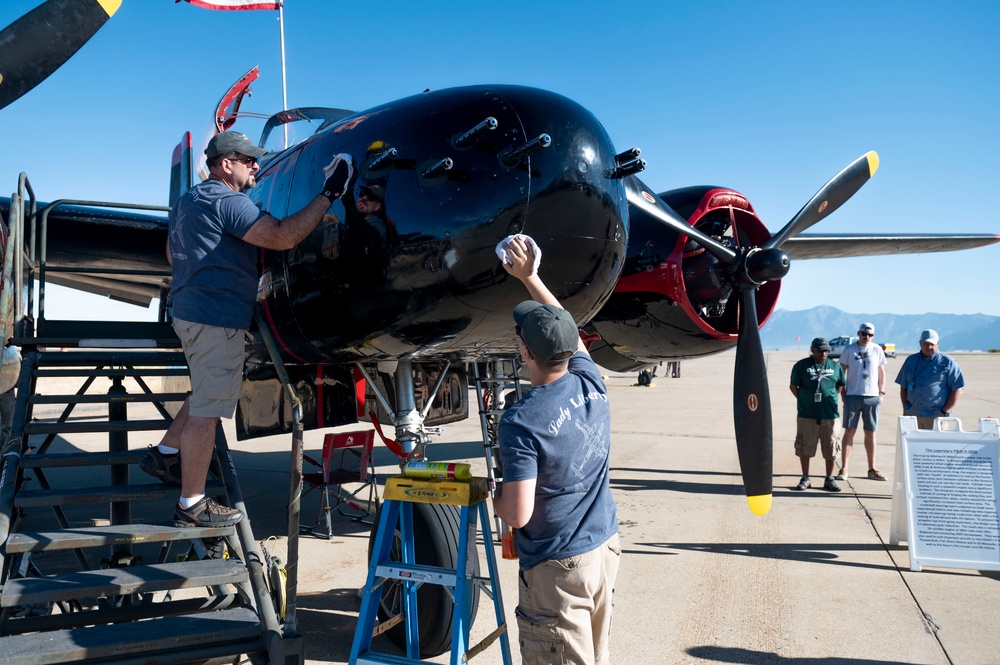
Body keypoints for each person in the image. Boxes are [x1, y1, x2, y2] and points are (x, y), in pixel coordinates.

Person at [141, 130, 353, 527]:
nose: (256, 165)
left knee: (205, 391)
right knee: (208, 411)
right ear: (226, 164)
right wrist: (330, 192)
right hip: (215, 319)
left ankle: (165, 455)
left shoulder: (188, 201)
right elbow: (283, 236)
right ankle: (192, 505)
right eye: (248, 159)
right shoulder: (228, 200)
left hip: (190, 313)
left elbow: (172, 253)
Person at [493, 235, 621, 665]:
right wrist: (531, 277)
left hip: (558, 566)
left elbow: (518, 515)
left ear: (524, 351)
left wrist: (493, 494)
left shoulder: (521, 421)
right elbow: (565, 323)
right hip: (603, 549)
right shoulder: (590, 380)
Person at [789, 338, 846, 492]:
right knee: (805, 447)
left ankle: (829, 478)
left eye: (827, 350)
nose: (824, 353)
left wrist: (831, 399)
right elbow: (793, 386)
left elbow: (840, 384)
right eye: (820, 350)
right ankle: (806, 477)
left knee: (831, 448)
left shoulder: (835, 366)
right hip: (807, 415)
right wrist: (804, 399)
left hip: (830, 415)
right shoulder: (801, 366)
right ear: (812, 350)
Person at [838, 322, 887, 481]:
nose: (866, 337)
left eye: (870, 335)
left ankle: (872, 468)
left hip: (872, 397)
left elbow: (881, 372)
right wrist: (843, 392)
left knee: (870, 433)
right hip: (853, 396)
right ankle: (844, 468)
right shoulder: (849, 350)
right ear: (858, 333)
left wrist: (881, 393)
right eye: (864, 334)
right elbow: (841, 372)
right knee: (849, 431)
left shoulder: (877, 350)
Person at [895, 329, 965, 430]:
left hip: (936, 416)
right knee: (913, 445)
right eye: (926, 344)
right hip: (913, 415)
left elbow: (958, 388)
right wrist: (906, 408)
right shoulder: (910, 361)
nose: (929, 347)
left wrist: (945, 411)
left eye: (932, 344)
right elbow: (903, 387)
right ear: (920, 343)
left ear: (938, 344)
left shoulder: (948, 362)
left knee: (936, 446)